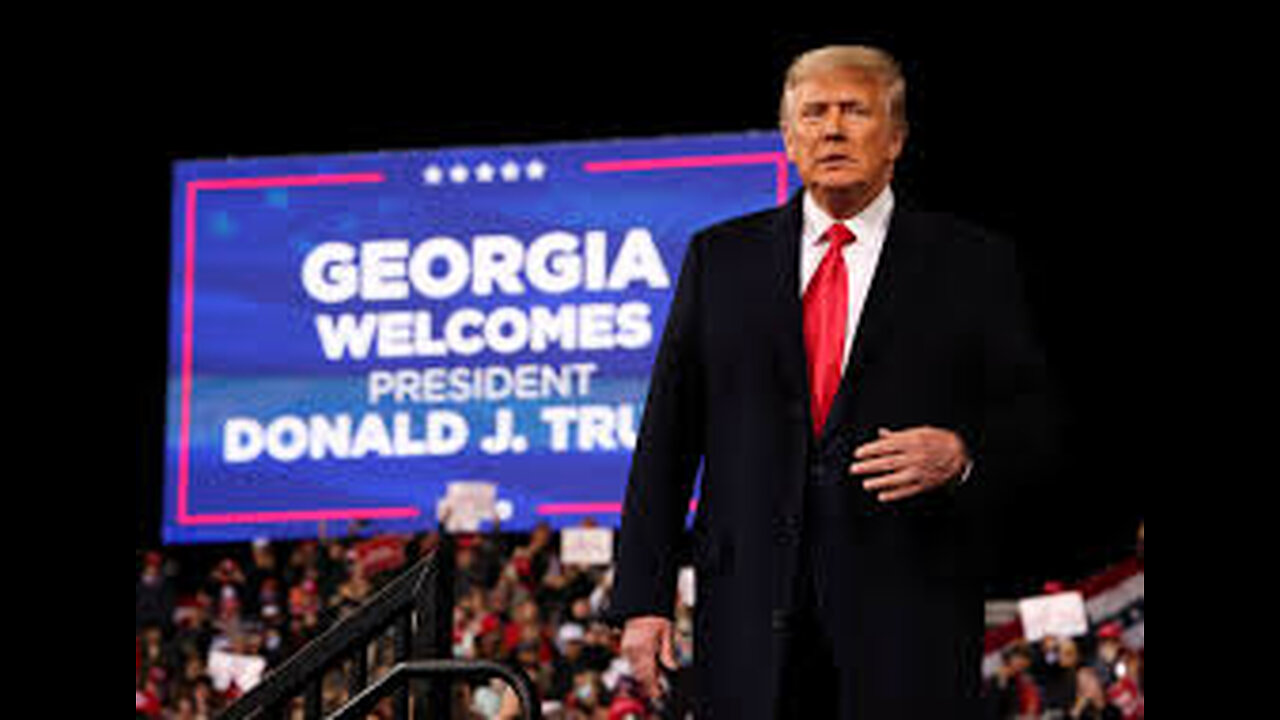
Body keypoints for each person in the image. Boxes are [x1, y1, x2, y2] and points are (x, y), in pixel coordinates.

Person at [606, 44, 1058, 719]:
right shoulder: (720, 259)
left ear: (896, 138)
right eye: (814, 113)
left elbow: (1037, 421)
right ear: (789, 139)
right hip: (751, 617)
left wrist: (963, 454)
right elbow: (668, 439)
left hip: (910, 616)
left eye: (855, 110)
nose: (833, 129)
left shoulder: (972, 263)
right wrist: (643, 598)